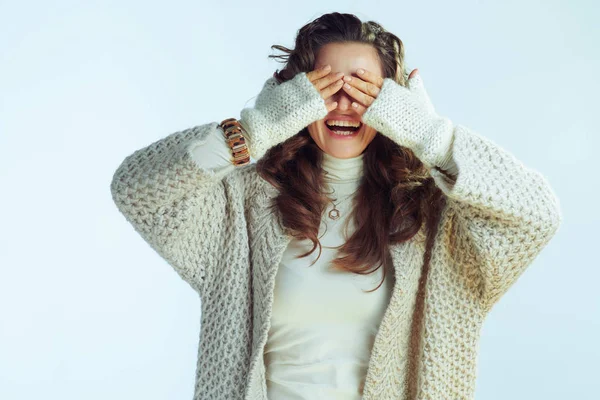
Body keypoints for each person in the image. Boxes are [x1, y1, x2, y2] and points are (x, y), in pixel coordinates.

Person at [110, 12, 562, 400]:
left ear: (392, 104)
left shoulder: (431, 211)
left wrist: (433, 135)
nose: (345, 105)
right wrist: (251, 130)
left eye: (365, 91)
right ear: (296, 99)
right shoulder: (245, 202)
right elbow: (136, 188)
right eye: (325, 88)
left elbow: (536, 215)